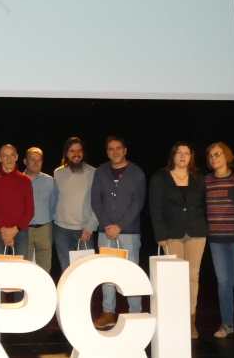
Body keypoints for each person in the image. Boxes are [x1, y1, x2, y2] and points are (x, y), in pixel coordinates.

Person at [148, 142, 208, 339]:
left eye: (186, 153)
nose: (183, 156)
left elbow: (204, 206)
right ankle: (175, 320)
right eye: (179, 153)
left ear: (191, 156)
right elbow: (155, 209)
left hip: (196, 233)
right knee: (175, 279)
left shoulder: (199, 178)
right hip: (171, 234)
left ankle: (191, 322)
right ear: (172, 156)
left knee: (193, 276)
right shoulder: (160, 177)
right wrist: (160, 235)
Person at [90, 135, 146, 329]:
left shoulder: (137, 173)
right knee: (107, 274)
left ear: (125, 151)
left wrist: (120, 226)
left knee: (131, 273)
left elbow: (137, 203)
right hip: (105, 232)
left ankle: (135, 313)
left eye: (118, 148)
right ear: (107, 152)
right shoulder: (100, 172)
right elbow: (96, 201)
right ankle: (108, 313)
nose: (115, 152)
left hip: (129, 232)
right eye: (110, 149)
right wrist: (107, 225)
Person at [204, 141, 234, 341]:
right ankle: (227, 324)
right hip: (216, 240)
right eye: (211, 156)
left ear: (227, 156)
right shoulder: (206, 181)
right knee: (223, 283)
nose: (214, 158)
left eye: (218, 154)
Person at [52, 136, 99, 273]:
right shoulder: (58, 173)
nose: (76, 154)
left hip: (85, 230)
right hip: (61, 230)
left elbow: (98, 203)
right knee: (67, 271)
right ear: (66, 153)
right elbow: (55, 199)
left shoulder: (94, 173)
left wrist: (90, 226)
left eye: (79, 150)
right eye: (72, 151)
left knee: (86, 271)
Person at [0, 144, 34, 259]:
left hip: (20, 232)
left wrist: (14, 230)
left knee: (21, 269)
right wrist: (3, 230)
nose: (9, 159)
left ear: (16, 157)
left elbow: (29, 211)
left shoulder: (25, 181)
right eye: (5, 156)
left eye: (12, 155)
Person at [24, 147, 55, 272]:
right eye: (32, 159)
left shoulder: (49, 181)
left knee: (45, 267)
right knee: (25, 266)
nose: (36, 163)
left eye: (39, 160)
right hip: (24, 230)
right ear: (25, 161)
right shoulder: (18, 180)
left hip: (44, 229)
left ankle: (43, 291)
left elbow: (54, 203)